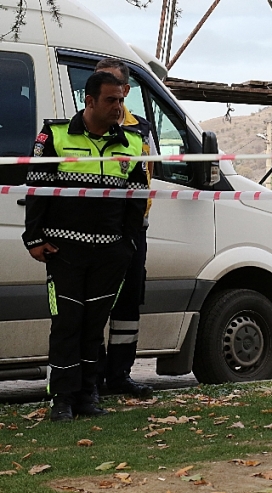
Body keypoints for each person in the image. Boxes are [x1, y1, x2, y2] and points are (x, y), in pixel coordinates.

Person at [23, 71, 148, 422]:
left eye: (122, 100)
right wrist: (33, 238)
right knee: (67, 324)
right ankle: (61, 399)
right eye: (111, 100)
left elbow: (136, 202)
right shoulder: (55, 136)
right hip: (64, 253)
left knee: (94, 327)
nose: (119, 107)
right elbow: (36, 189)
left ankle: (87, 396)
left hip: (111, 254)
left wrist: (127, 245)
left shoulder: (133, 143)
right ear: (89, 101)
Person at [92, 58, 156, 399]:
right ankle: (94, 376)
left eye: (115, 85)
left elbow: (150, 173)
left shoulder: (142, 129)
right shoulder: (86, 123)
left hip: (133, 229)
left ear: (126, 90)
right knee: (94, 304)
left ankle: (120, 375)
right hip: (96, 228)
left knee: (128, 306)